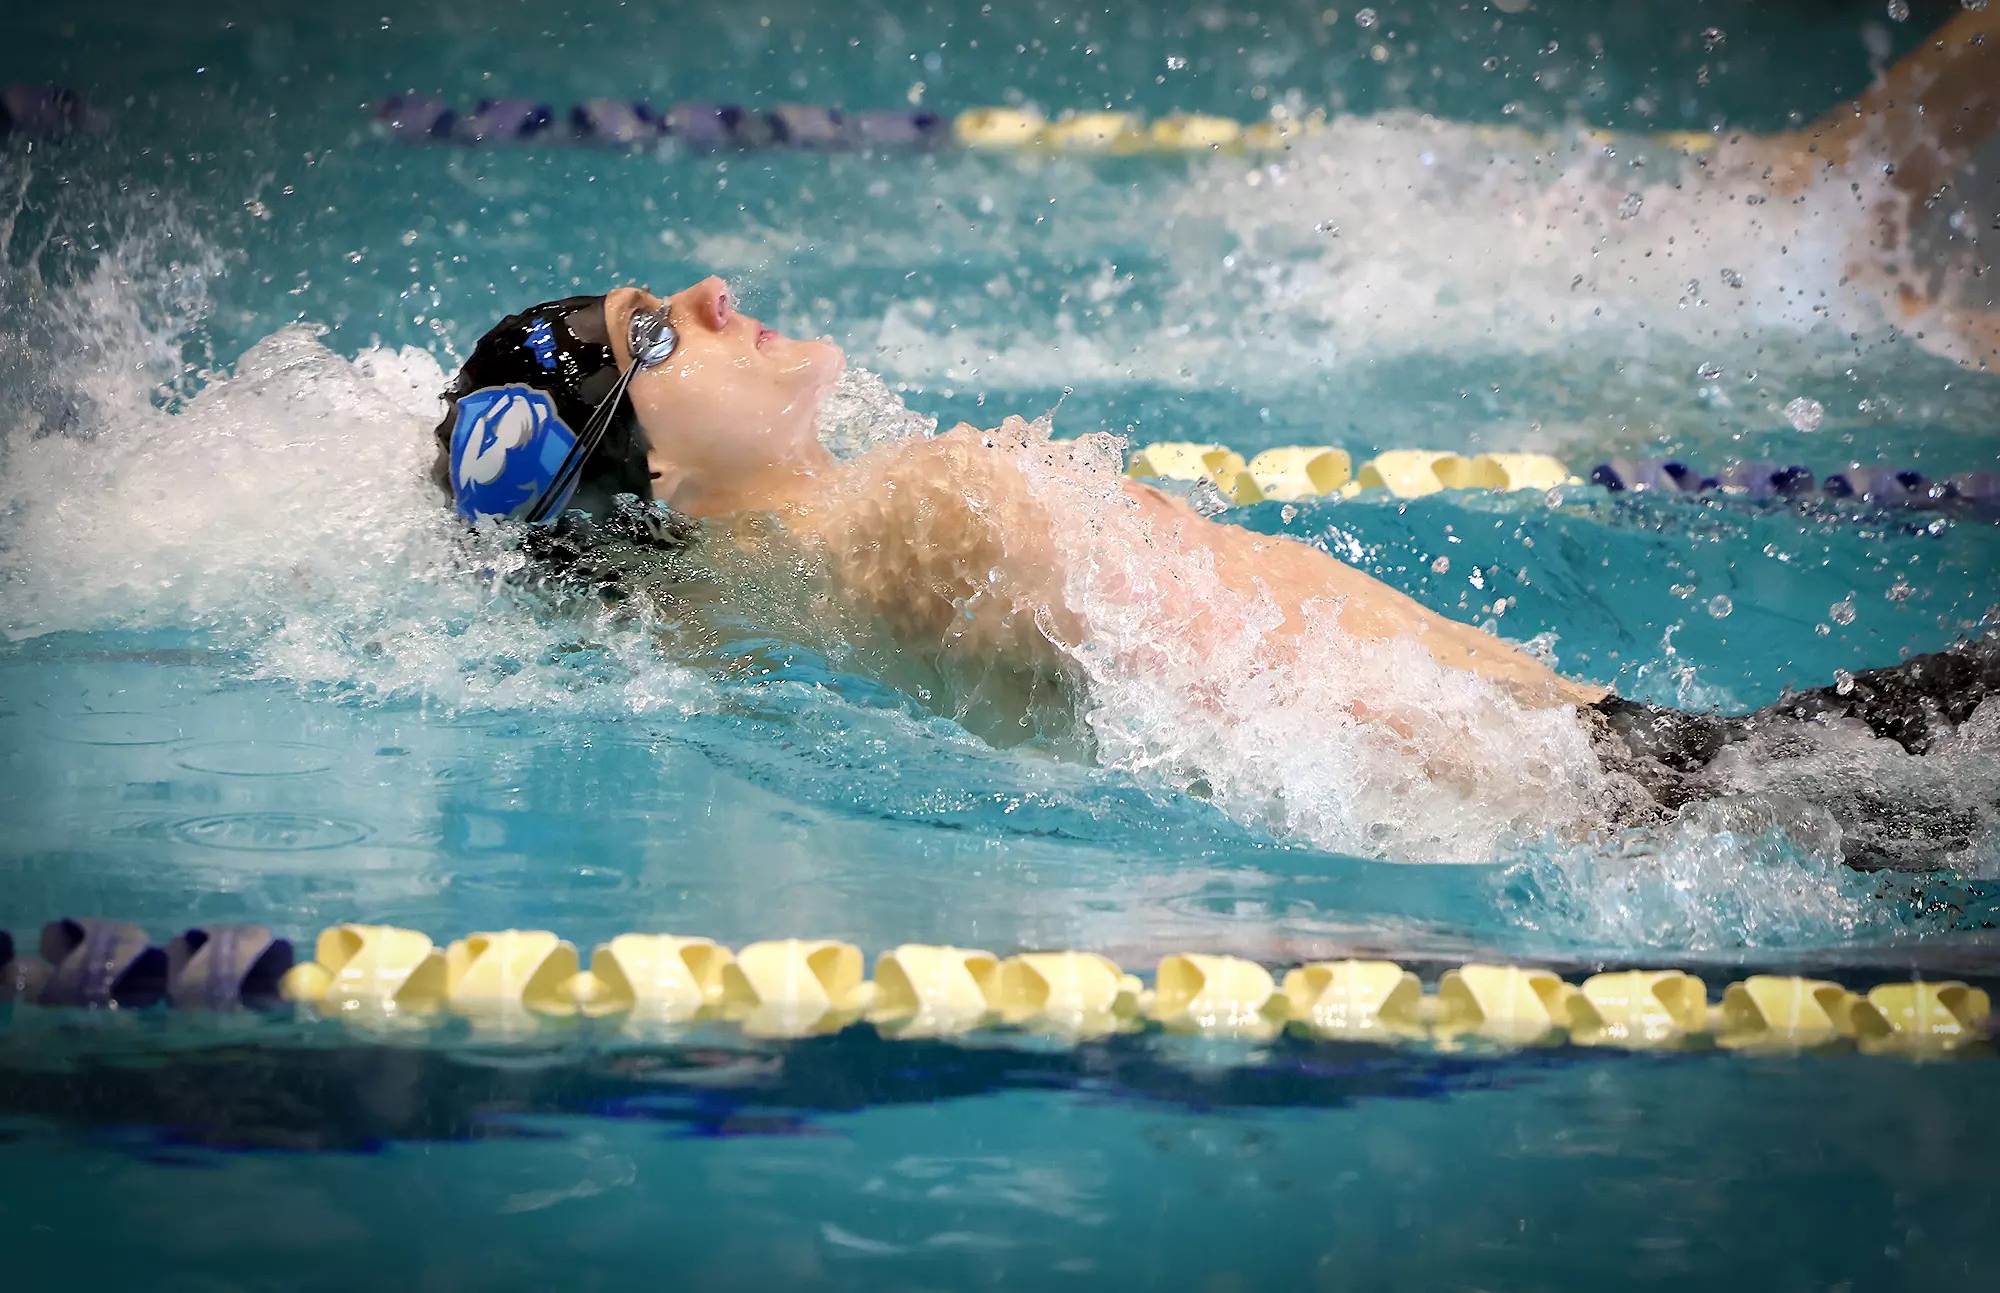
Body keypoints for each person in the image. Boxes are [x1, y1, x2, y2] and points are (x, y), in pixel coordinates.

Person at [432, 278, 1998, 872]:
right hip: (1636, 787)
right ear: (665, 480)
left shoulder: (754, 617)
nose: (713, 291)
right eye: (659, 334)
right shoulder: (926, 514)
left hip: (1618, 787)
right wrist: (1626, 802)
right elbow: (1280, 705)